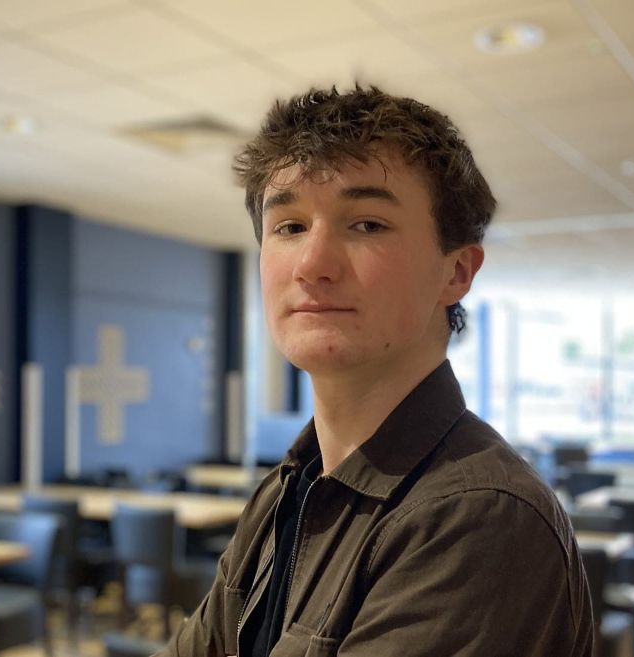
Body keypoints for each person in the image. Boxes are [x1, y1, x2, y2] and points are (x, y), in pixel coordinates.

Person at [157, 85, 593, 656]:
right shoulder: (289, 488)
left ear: (457, 270)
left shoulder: (475, 517)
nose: (312, 265)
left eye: (366, 224)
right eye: (289, 227)